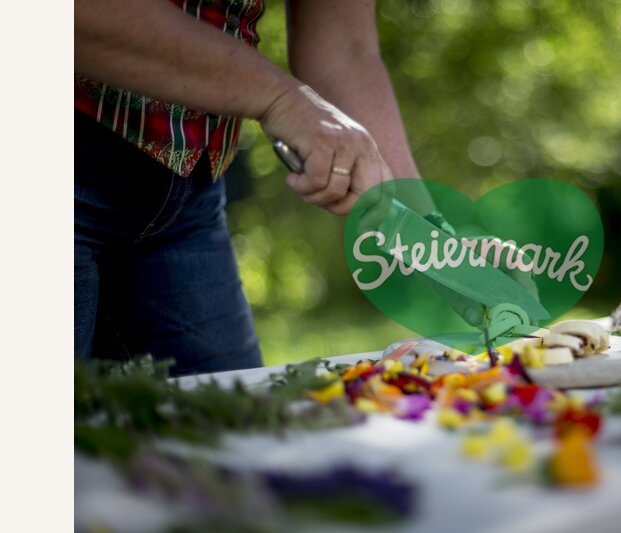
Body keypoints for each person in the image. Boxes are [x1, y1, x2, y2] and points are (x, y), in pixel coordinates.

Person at [75, 0, 421, 376]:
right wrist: (280, 98)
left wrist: (428, 232)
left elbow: (346, 52)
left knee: (235, 428)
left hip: (188, 195)